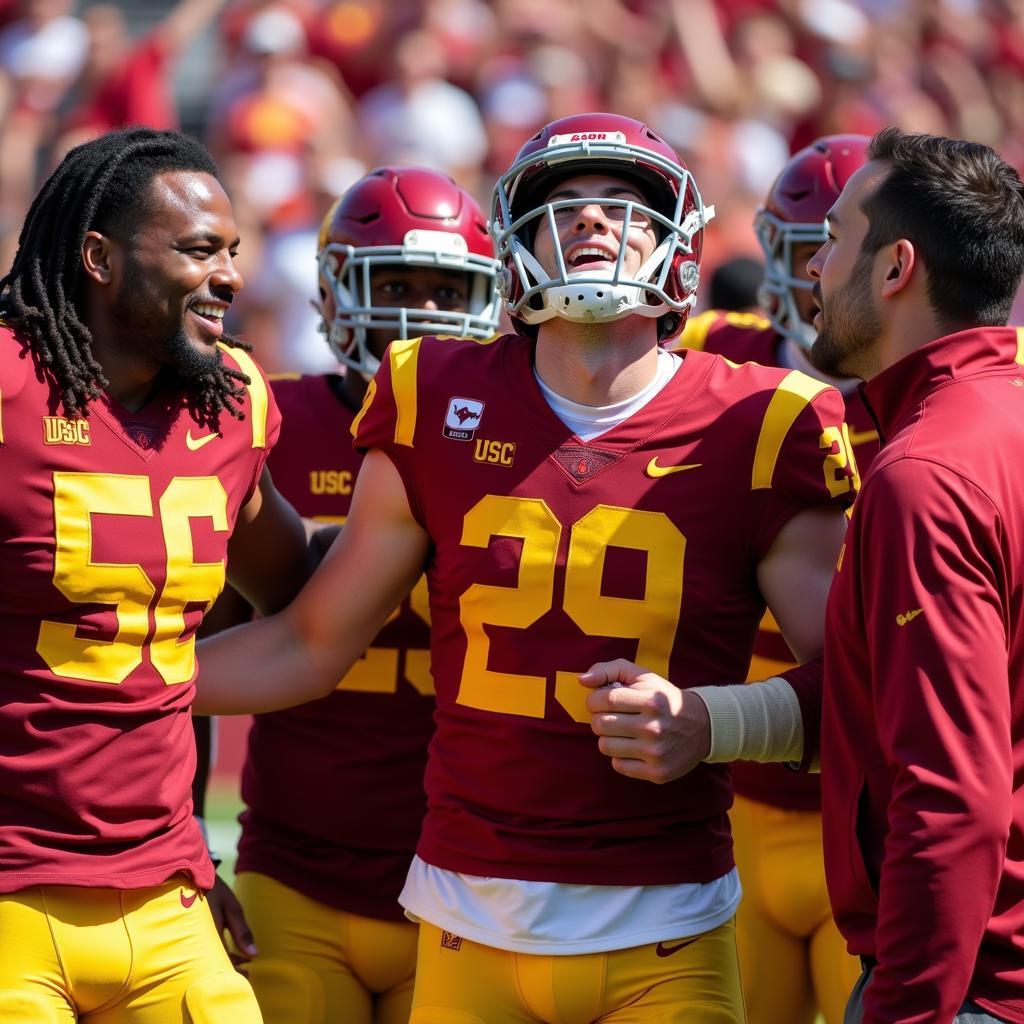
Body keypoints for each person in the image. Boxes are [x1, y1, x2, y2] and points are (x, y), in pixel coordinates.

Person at [194, 112, 855, 1024]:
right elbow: (309, 644)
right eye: (564, 207)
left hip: (668, 921)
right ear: (516, 242)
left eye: (621, 205)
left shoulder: (763, 419)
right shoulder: (432, 393)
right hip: (468, 916)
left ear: (676, 246)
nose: (590, 221)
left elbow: (856, 688)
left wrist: (713, 722)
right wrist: (110, 682)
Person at [585, 127, 1024, 1024]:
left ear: (897, 267)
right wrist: (715, 721)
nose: (813, 271)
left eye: (833, 242)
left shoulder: (926, 472)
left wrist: (906, 1009)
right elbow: (898, 691)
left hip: (969, 980)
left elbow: (952, 790)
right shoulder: (989, 427)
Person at [0, 127, 313, 1022]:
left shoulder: (233, 404)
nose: (231, 277)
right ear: (98, 257)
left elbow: (292, 582)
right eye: (198, 250)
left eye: (235, 252)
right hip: (14, 892)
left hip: (167, 893)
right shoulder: (9, 385)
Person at [220, 165, 500, 1024]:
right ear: (337, 291)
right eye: (395, 284)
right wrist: (189, 843)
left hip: (472, 880)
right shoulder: (267, 422)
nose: (418, 313)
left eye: (446, 289)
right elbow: (197, 653)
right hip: (297, 872)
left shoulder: (522, 433)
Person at [676, 134, 875, 1024]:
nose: (823, 278)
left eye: (844, 254)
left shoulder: (949, 394)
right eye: (807, 253)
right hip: (736, 796)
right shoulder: (713, 354)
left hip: (874, 800)